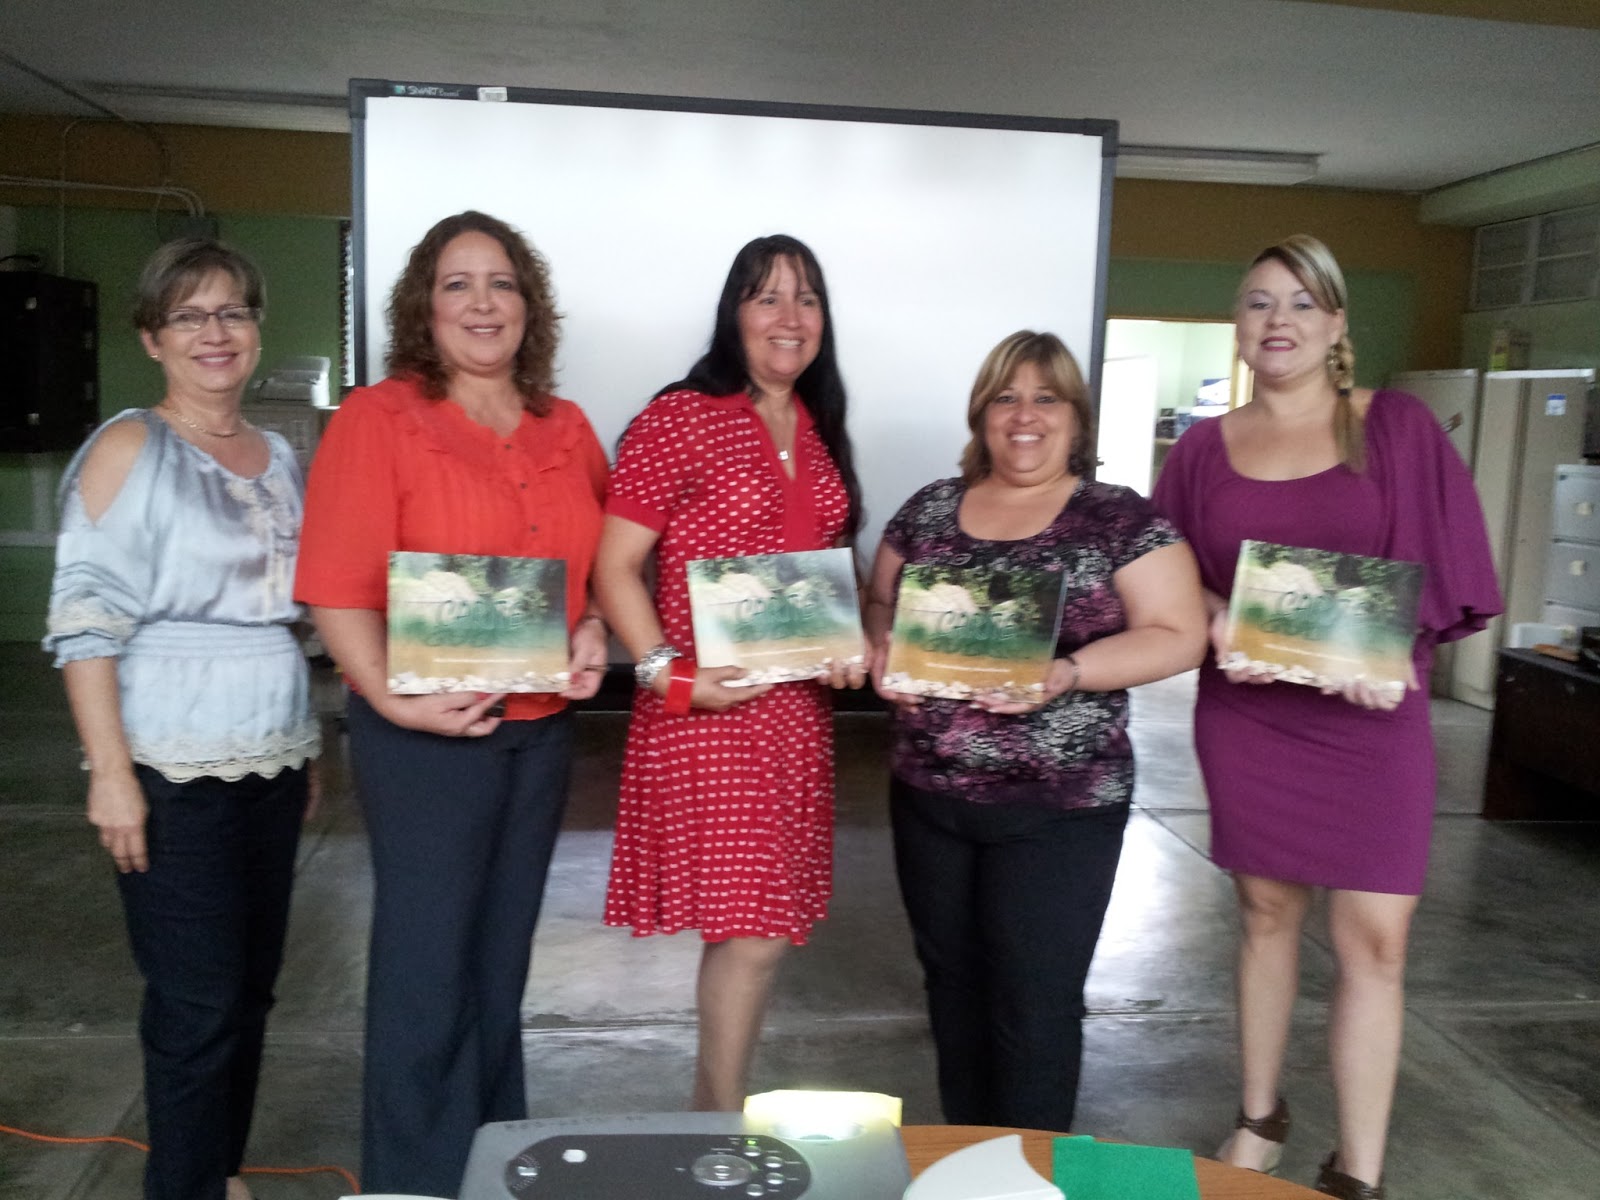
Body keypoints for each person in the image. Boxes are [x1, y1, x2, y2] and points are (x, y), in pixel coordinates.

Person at [1151, 235, 1502, 1200]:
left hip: (1370, 726)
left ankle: (1359, 1168)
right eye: (1260, 302)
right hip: (1251, 718)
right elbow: (1163, 575)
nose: (1279, 322)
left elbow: (1446, 563)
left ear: (1338, 323)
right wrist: (1215, 614)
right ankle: (1261, 1114)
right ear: (1239, 323)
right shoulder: (1202, 450)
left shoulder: (1394, 427)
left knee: (1376, 941)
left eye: (1302, 304)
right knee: (1265, 915)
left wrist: (1395, 652)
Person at [293, 211, 609, 1194]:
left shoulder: (570, 429)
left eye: (502, 283)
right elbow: (336, 589)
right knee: (426, 972)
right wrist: (392, 701)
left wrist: (593, 625)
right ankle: (412, 1181)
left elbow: (593, 572)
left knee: (498, 966)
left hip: (537, 737)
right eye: (457, 284)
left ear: (530, 306)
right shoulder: (377, 419)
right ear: (423, 308)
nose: (482, 303)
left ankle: (489, 1165)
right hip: (423, 740)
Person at [863, 329, 1208, 1133]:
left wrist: (1069, 673)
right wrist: (881, 641)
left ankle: (1026, 1173)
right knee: (950, 988)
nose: (1025, 415)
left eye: (1045, 397)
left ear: (1076, 419)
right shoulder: (929, 508)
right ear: (982, 414)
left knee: (1033, 1002)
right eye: (1006, 397)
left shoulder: (1118, 519)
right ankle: (965, 1157)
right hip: (928, 796)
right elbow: (879, 598)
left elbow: (1178, 631)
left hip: (1061, 810)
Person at [44, 238, 320, 1200]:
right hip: (170, 763)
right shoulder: (132, 446)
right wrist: (109, 772)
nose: (217, 333)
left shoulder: (283, 456)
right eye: (190, 316)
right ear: (152, 336)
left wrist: (305, 745)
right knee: (197, 1006)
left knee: (249, 995)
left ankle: (216, 1173)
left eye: (234, 312)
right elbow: (83, 620)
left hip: (274, 758)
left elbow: (296, 613)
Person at [594, 233, 865, 1111]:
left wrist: (845, 647)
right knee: (752, 932)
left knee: (763, 929)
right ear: (733, 316)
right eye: (767, 297)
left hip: (796, 719)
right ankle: (715, 1125)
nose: (790, 318)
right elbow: (614, 567)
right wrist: (668, 677)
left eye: (807, 299)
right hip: (710, 712)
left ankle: (713, 1117)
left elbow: (819, 572)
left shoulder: (819, 426)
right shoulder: (680, 416)